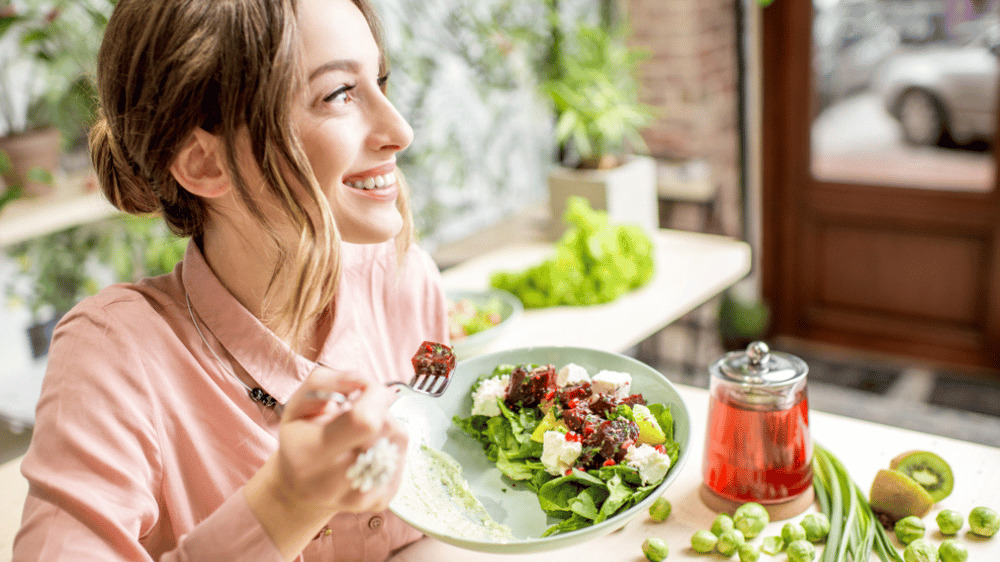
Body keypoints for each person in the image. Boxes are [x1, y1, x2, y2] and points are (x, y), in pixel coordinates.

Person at [13, 0, 449, 559]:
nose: (400, 130)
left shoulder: (406, 280)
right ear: (204, 164)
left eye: (380, 81)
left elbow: (449, 475)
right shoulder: (113, 356)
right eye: (339, 94)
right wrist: (285, 503)